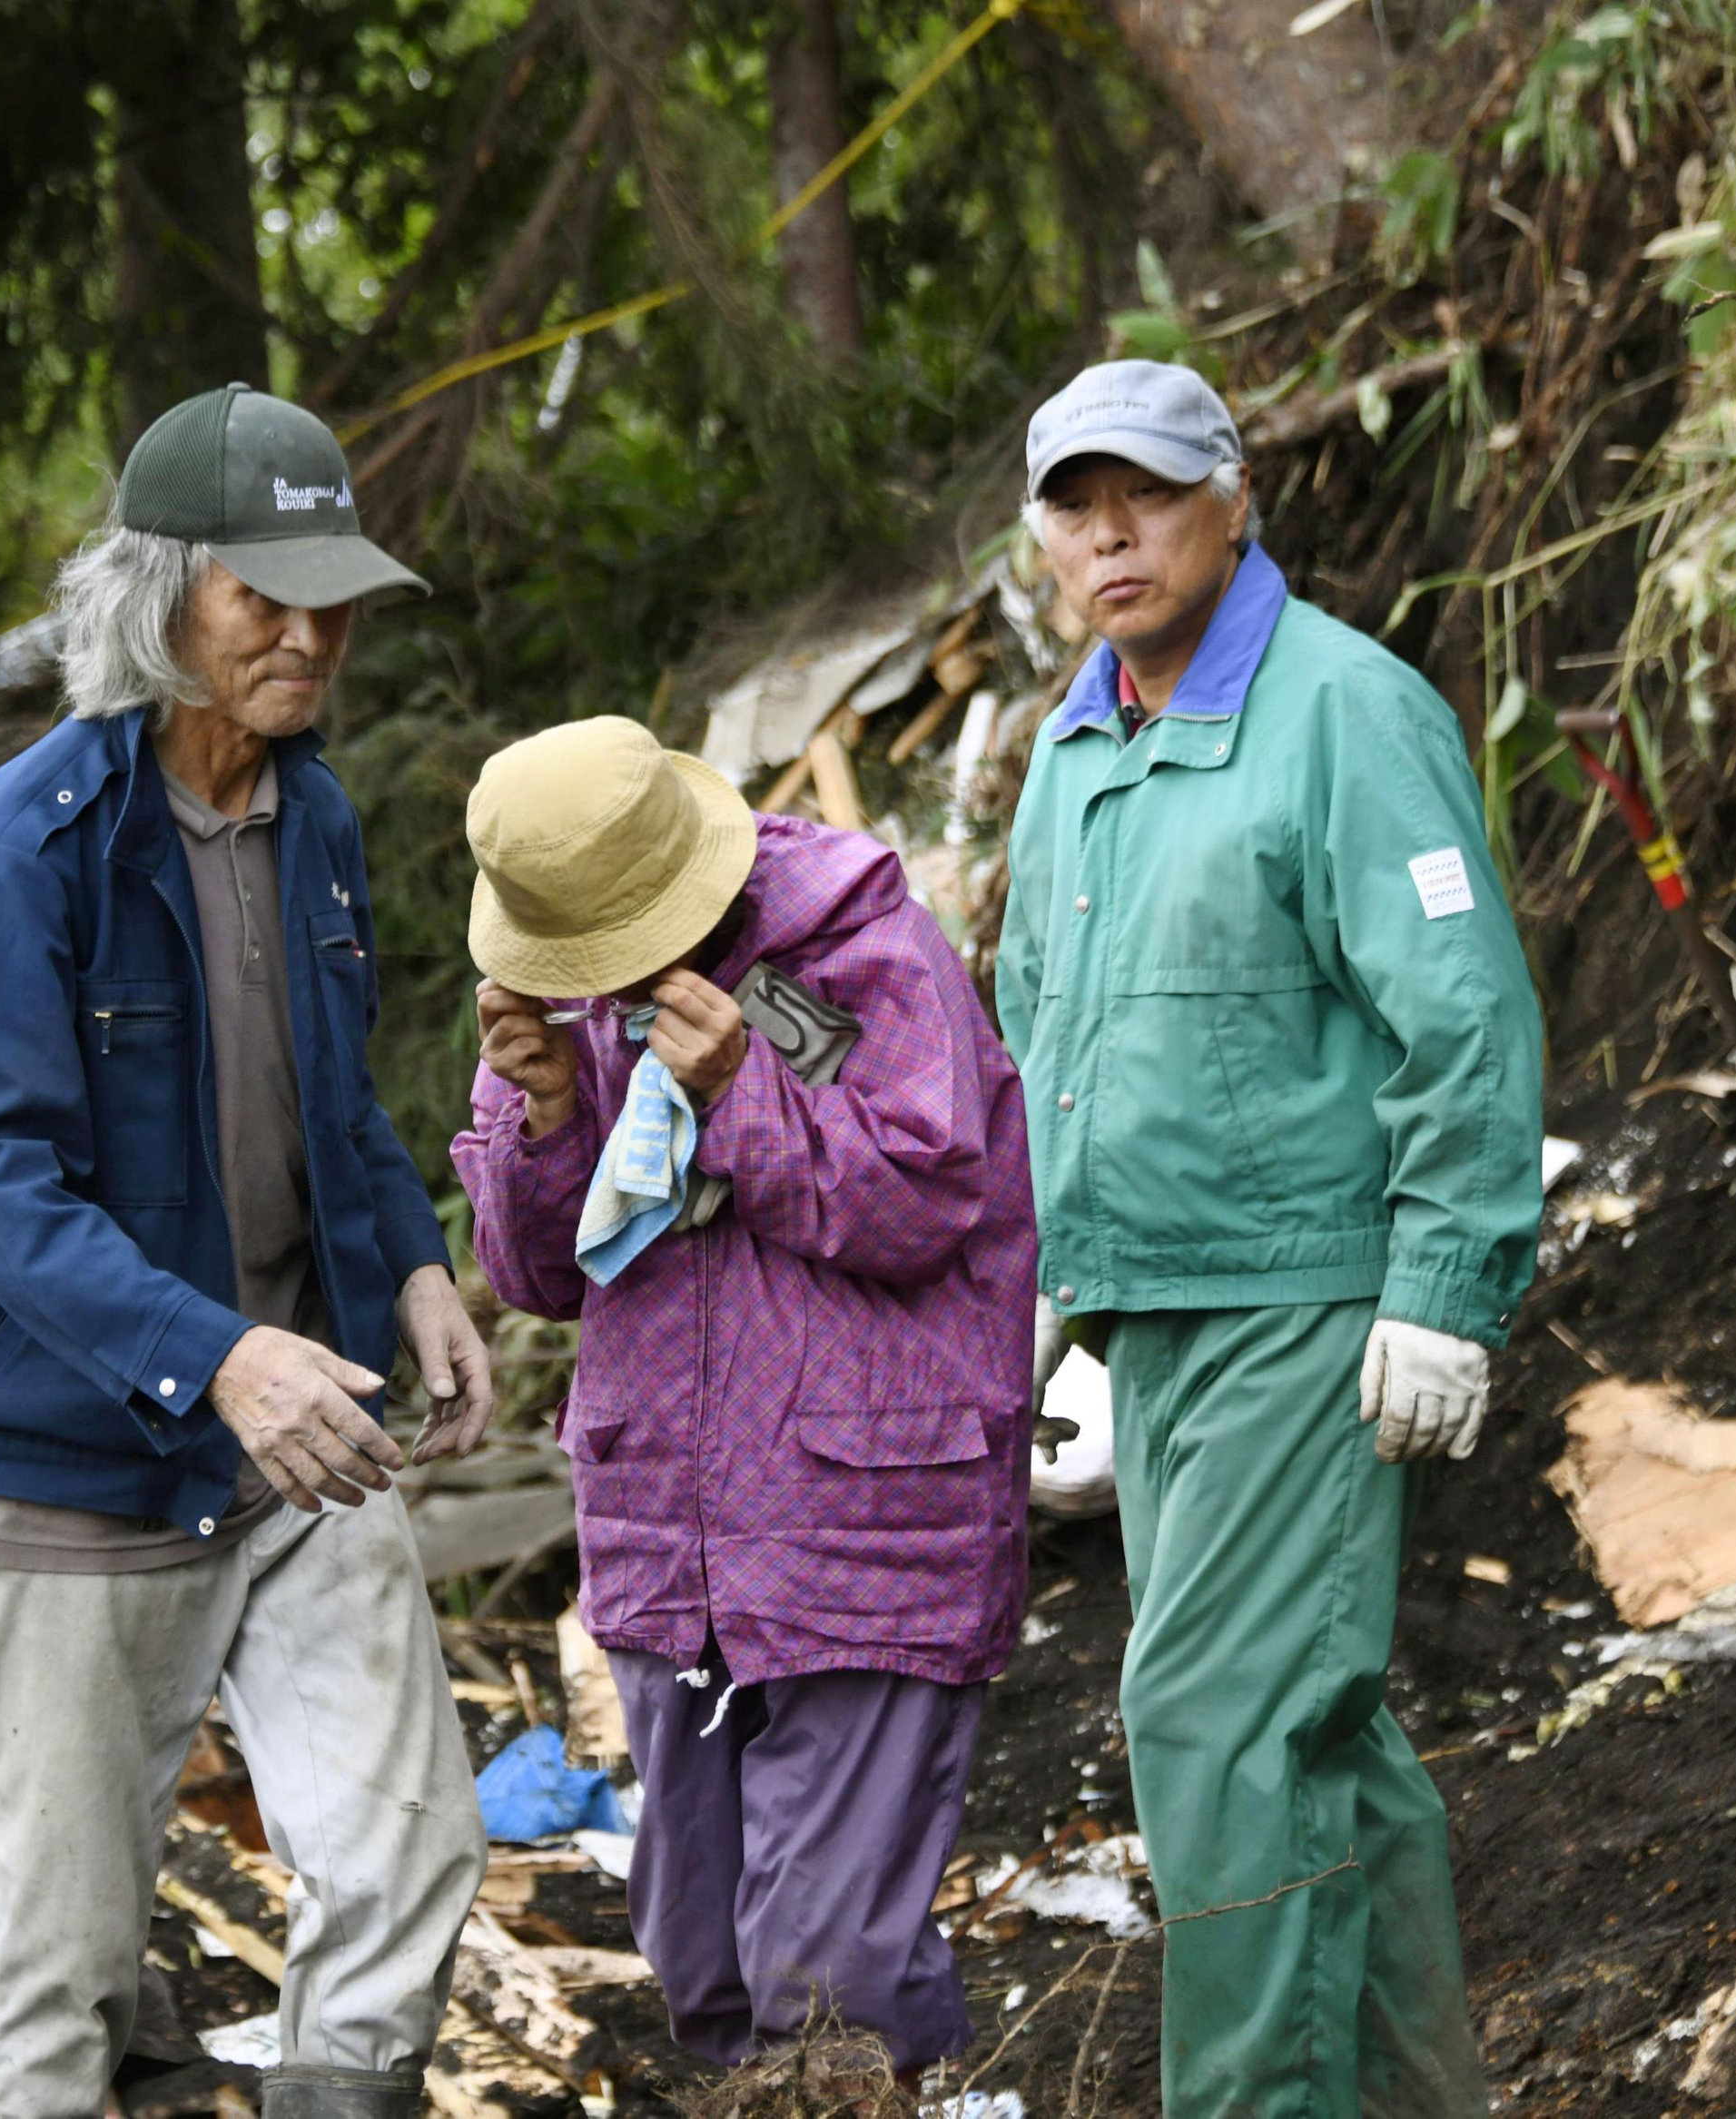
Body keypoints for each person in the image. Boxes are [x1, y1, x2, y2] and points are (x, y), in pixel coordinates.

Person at [0, 382, 493, 2119]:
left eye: (333, 598)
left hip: (304, 1436)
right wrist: (215, 1355)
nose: (310, 637)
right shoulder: (29, 847)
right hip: (86, 1477)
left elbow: (339, 1100)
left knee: (406, 1853)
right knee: (66, 1957)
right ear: (162, 601)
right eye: (262, 598)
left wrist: (413, 1270)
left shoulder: (319, 819)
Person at [994, 360, 1544, 2118]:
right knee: (1319, 1748)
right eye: (1075, 505)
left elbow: (1457, 1012)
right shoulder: (1073, 749)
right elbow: (1032, 1025)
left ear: (1232, 499)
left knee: (1220, 1745)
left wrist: (1447, 1282)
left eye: (1143, 493)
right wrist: (1030, 1293)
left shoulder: (1341, 711)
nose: (1109, 533)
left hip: (1304, 1318)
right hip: (1149, 1327)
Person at [449, 716, 1034, 2076]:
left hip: (864, 1522)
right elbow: (539, 1275)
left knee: (830, 1977)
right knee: (701, 1963)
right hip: (671, 1536)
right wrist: (544, 1121)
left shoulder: (860, 938)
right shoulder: (559, 988)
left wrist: (738, 1088)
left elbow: (928, 1201)